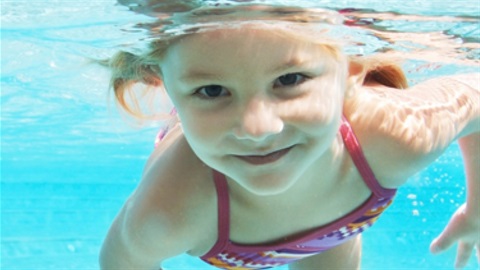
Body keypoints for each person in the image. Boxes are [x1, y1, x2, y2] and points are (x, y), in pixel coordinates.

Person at [99, 3, 479, 270]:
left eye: (290, 79)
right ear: (163, 85)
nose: (257, 128)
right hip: (249, 228)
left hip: (339, 227)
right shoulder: (168, 213)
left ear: (353, 69)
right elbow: (121, 263)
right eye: (212, 91)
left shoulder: (395, 138)